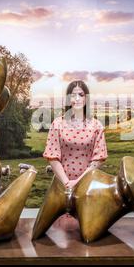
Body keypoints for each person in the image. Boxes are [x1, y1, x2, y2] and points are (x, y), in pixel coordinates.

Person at [42, 80, 108, 229]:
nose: (77, 98)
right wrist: (67, 183)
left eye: (81, 95)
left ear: (86, 98)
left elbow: (98, 159)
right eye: (73, 95)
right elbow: (52, 156)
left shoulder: (96, 125)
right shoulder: (57, 124)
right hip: (61, 188)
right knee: (61, 233)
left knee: (87, 230)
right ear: (68, 99)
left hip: (88, 188)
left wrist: (77, 182)